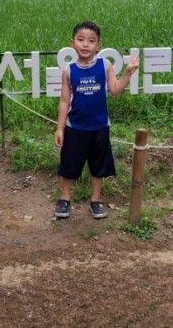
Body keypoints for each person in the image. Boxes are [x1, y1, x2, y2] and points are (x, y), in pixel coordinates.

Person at [54, 21, 139, 219]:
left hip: (100, 127)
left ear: (98, 44)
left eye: (91, 41)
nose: (85, 45)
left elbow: (116, 90)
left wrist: (127, 73)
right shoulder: (69, 70)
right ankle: (65, 199)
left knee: (98, 166)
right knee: (69, 165)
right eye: (81, 39)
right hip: (74, 127)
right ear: (72, 42)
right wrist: (60, 129)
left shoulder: (104, 65)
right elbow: (64, 101)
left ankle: (96, 200)